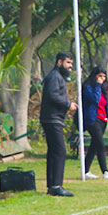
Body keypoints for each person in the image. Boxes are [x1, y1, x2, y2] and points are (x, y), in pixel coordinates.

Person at [39, 52, 78, 197]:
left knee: (54, 152)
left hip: (53, 118)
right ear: (59, 62)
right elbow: (52, 95)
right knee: (60, 151)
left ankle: (52, 185)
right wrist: (68, 104)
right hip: (52, 118)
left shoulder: (56, 76)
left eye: (71, 64)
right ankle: (56, 185)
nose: (70, 66)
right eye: (68, 63)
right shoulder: (54, 76)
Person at [81, 66, 108, 180]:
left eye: (104, 77)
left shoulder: (103, 89)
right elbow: (94, 99)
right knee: (100, 144)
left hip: (102, 120)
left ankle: (85, 170)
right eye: (100, 76)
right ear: (94, 76)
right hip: (92, 120)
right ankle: (105, 170)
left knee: (94, 146)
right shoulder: (88, 88)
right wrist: (98, 85)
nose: (102, 79)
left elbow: (106, 104)